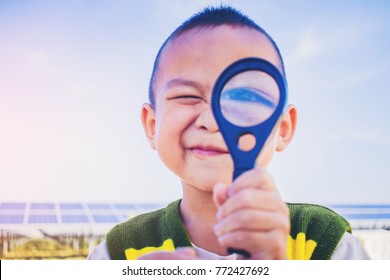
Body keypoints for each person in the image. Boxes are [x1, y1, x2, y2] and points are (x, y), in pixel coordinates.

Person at [87, 5, 370, 260]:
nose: (212, 121)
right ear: (152, 124)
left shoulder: (325, 244)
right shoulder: (119, 252)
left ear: (282, 128)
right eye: (187, 96)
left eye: (245, 98)